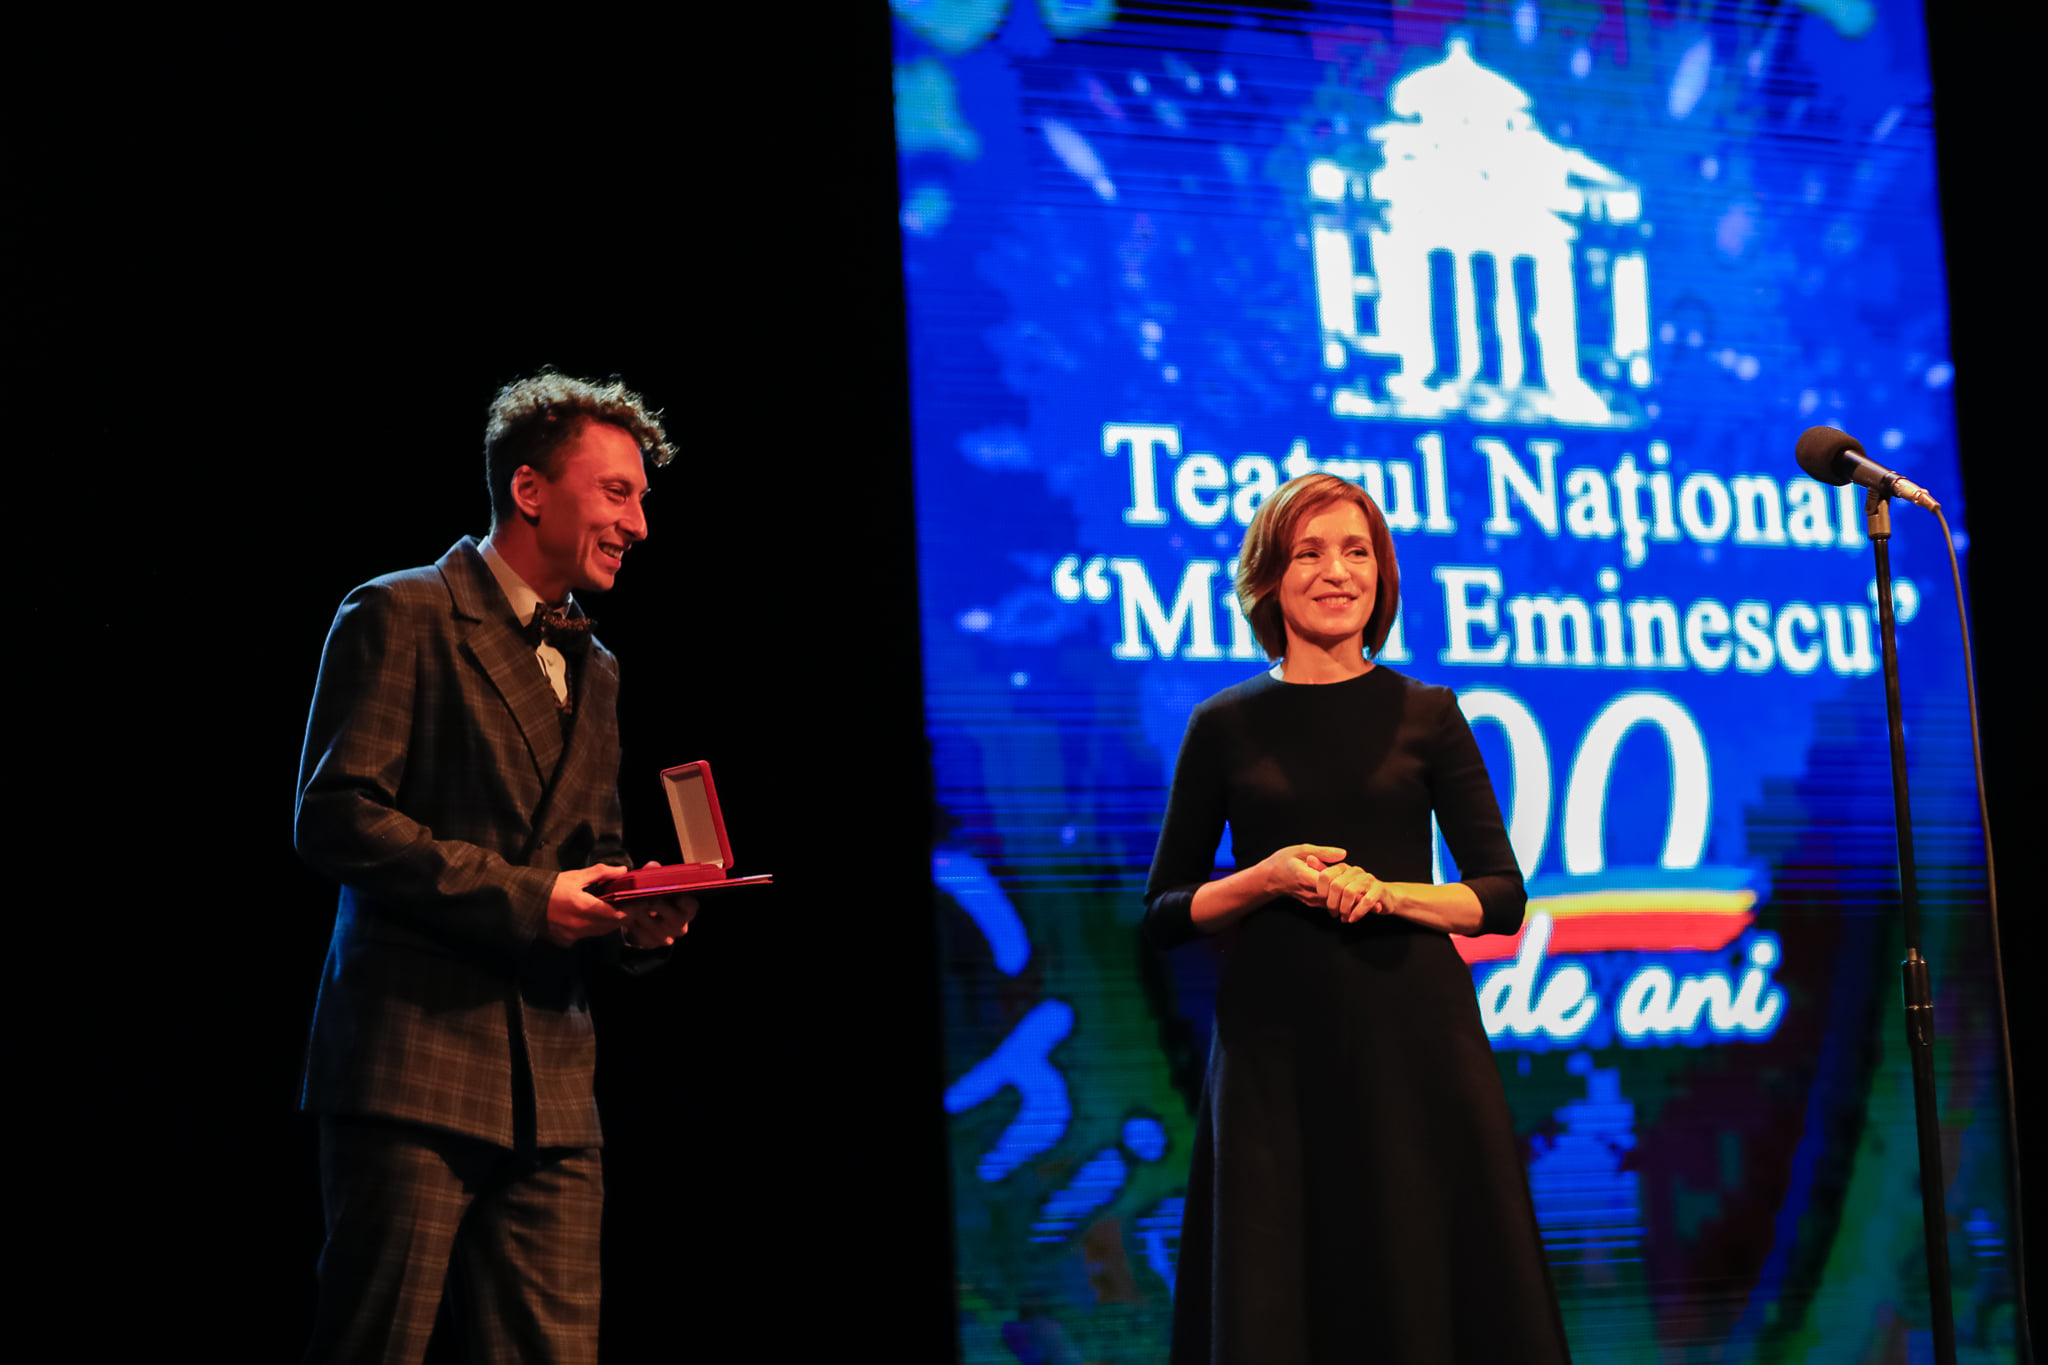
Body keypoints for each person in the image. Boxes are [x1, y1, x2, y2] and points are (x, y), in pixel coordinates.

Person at [294, 372, 699, 1363]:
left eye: (641, 499)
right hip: (416, 1064)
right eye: (617, 493)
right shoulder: (401, 612)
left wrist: (635, 909)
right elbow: (337, 817)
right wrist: (531, 900)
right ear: (528, 490)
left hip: (554, 1085)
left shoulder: (598, 666)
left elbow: (590, 851)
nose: (639, 524)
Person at [1144, 472, 1570, 1363]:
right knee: (1279, 1290)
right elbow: (1167, 910)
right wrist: (1265, 878)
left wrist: (1389, 893)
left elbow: (1499, 896)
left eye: (1356, 552)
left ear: (1382, 574)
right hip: (1273, 1050)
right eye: (1309, 552)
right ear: (1269, 578)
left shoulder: (1428, 713)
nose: (1336, 572)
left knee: (1416, 1272)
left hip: (1411, 1040)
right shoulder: (1223, 724)